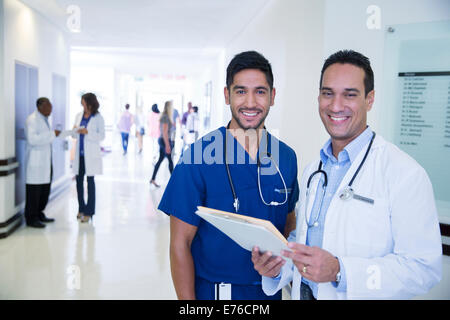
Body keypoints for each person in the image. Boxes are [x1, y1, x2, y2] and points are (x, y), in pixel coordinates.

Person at [252, 50, 442, 300]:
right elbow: (306, 242)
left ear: (370, 99)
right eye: (327, 93)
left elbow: (423, 269)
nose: (336, 105)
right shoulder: (314, 170)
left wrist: (341, 272)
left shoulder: (404, 174)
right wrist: (276, 268)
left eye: (349, 95)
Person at [158, 51, 300, 300]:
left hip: (270, 293)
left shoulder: (286, 158)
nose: (250, 102)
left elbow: (289, 225)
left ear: (272, 96)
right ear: (227, 95)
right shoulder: (198, 157)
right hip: (217, 294)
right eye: (241, 91)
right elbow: (180, 244)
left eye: (260, 91)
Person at [24, 97, 61, 228]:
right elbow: (32, 140)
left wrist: (52, 135)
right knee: (34, 192)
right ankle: (31, 218)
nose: (51, 109)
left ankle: (39, 213)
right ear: (40, 107)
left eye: (51, 106)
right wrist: (52, 134)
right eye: (48, 107)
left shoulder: (44, 119)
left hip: (45, 161)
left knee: (44, 190)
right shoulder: (32, 120)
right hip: (36, 162)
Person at [72, 93, 105, 223]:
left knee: (90, 183)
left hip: (90, 156)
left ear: (89, 103)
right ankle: (81, 208)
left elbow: (101, 136)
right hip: (79, 155)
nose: (82, 105)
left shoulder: (98, 117)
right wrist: (74, 131)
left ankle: (89, 211)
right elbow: (74, 136)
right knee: (79, 182)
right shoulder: (78, 116)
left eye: (83, 102)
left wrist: (88, 133)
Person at [150, 100, 175, 188]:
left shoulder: (166, 116)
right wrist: (167, 145)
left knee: (161, 160)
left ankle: (152, 179)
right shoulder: (165, 117)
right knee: (170, 161)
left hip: (163, 140)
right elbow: (164, 132)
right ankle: (174, 181)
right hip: (164, 141)